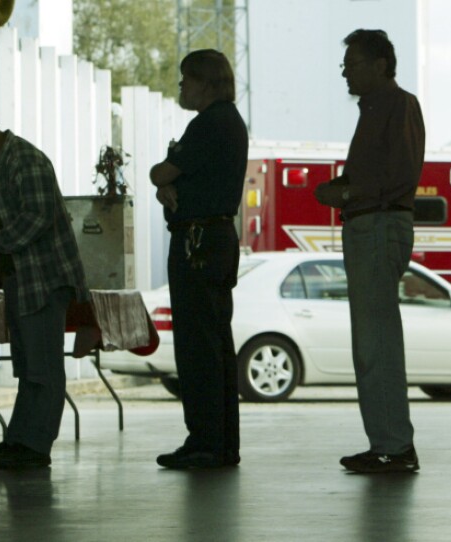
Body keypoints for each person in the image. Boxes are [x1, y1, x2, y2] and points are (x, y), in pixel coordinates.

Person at [0, 109, 89, 468]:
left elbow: (37, 218)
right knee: (28, 365)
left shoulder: (25, 160)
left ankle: (35, 447)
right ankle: (19, 440)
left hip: (44, 278)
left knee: (43, 367)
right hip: (20, 278)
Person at [314, 29, 425, 474]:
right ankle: (387, 441)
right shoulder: (378, 109)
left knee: (375, 341)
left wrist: (343, 192)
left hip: (377, 223)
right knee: (371, 341)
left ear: (381, 65)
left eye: (353, 63)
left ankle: (394, 446)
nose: (346, 71)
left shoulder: (396, 106)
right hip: (371, 223)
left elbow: (396, 174)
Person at [151, 49, 248, 469]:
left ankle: (205, 440)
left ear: (207, 82)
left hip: (198, 242)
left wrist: (164, 183)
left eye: (187, 79)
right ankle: (220, 440)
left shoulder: (209, 123)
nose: (181, 87)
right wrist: (169, 187)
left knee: (197, 345)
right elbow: (174, 180)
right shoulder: (228, 122)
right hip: (215, 237)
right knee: (214, 342)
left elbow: (162, 172)